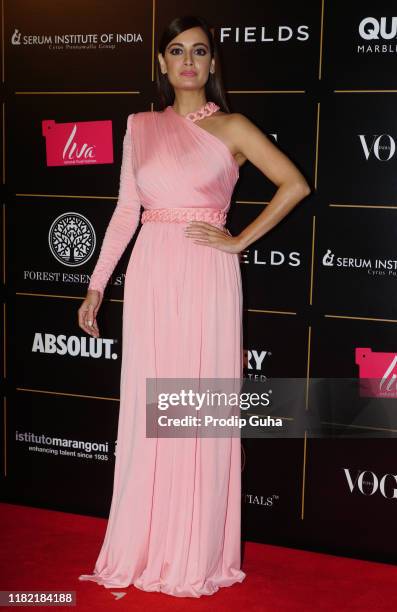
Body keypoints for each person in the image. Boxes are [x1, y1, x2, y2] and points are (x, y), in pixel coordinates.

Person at [77, 15, 311, 598]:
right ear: (161, 64)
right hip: (152, 274)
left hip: (207, 273)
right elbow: (126, 211)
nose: (188, 61)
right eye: (176, 51)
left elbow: (294, 184)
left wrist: (236, 239)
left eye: (199, 51)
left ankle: (193, 552)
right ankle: (147, 545)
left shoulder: (232, 126)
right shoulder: (139, 126)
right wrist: (97, 285)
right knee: (149, 410)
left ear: (212, 64)